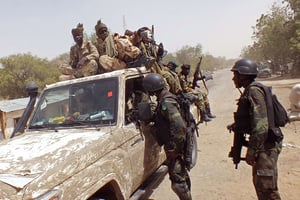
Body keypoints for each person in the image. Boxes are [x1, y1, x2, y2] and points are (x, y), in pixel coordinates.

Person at [229, 58, 282, 200]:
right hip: (264, 145)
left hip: (266, 147)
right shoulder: (251, 90)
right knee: (263, 187)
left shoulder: (254, 91)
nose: (234, 79)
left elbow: (261, 126)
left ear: (244, 75)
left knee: (267, 191)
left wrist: (252, 151)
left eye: (236, 75)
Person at [142, 73, 192, 200]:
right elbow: (164, 118)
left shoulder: (167, 102)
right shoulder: (164, 100)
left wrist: (176, 149)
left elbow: (179, 126)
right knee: (181, 176)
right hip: (173, 145)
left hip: (174, 146)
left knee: (178, 182)